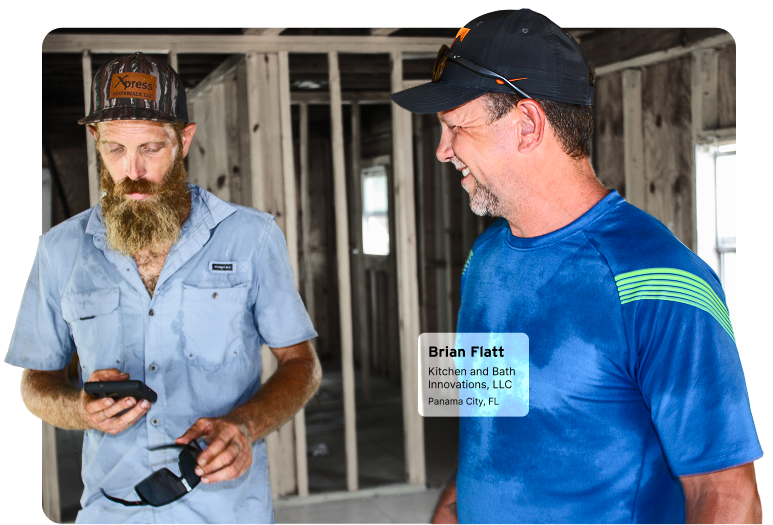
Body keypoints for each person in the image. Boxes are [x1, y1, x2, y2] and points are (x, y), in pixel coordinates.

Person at [391, 9, 763, 525]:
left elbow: (726, 496)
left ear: (527, 124)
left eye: (457, 128)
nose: (442, 150)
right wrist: (454, 507)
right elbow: (495, 418)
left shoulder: (659, 284)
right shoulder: (486, 259)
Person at [7, 52, 321, 524]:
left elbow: (303, 365)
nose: (132, 171)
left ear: (183, 140)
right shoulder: (59, 250)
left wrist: (245, 424)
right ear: (95, 140)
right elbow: (33, 385)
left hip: (225, 509)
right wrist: (81, 409)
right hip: (111, 510)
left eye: (150, 149)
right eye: (115, 149)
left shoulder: (250, 237)